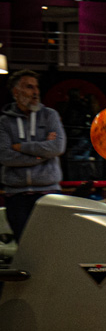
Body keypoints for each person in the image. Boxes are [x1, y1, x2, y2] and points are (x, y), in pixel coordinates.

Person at [0, 70, 67, 242]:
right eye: (29, 87)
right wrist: (41, 155)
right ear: (16, 92)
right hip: (16, 196)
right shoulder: (5, 122)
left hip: (49, 193)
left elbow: (57, 146)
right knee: (25, 247)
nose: (36, 92)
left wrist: (21, 147)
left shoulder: (49, 115)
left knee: (49, 246)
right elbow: (5, 155)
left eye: (36, 87)